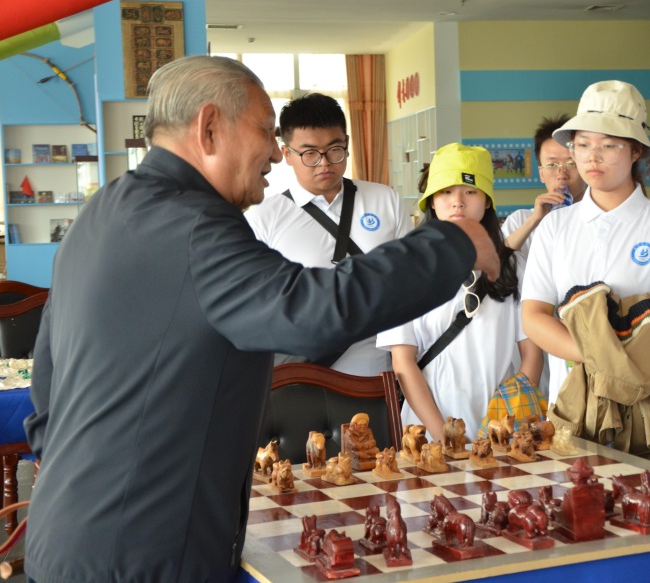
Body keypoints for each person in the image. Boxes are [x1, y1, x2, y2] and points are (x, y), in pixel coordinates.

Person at [23, 55, 499, 582]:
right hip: (141, 552)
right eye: (266, 132)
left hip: (72, 532)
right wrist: (452, 242)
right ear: (208, 128)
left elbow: (46, 379)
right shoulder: (195, 228)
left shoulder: (104, 208)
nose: (276, 153)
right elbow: (314, 310)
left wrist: (78, 473)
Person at [521, 80, 650, 432]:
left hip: (647, 412)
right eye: (583, 144)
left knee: (644, 486)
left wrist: (599, 358)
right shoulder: (555, 227)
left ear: (636, 151)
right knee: (568, 487)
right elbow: (534, 315)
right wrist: (596, 357)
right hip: (569, 408)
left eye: (608, 145)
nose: (592, 156)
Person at [377, 143, 543, 444]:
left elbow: (531, 353)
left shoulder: (513, 265)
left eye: (470, 191)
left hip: (501, 432)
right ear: (431, 202)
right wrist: (445, 436)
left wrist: (509, 423)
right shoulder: (404, 269)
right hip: (428, 433)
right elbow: (403, 363)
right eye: (445, 192)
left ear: (487, 201)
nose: (458, 202)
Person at [245, 92, 412, 374]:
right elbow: (257, 305)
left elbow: (410, 284)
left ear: (347, 143)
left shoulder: (385, 200)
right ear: (286, 154)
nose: (324, 163)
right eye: (310, 153)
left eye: (335, 150)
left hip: (377, 375)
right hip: (300, 376)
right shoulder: (264, 216)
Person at [501, 114, 587, 257]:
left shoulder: (603, 216)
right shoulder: (520, 220)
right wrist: (535, 219)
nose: (561, 174)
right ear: (541, 173)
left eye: (571, 163)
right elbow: (495, 265)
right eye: (552, 165)